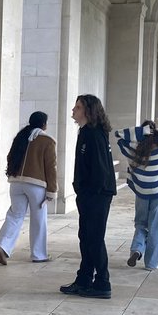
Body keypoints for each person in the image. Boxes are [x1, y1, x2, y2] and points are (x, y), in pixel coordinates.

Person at [60, 93, 117, 299]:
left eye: (77, 107)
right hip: (90, 194)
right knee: (86, 237)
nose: (73, 111)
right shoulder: (86, 132)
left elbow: (100, 170)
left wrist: (87, 192)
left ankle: (102, 282)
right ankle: (84, 279)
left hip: (97, 195)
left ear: (87, 111)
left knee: (93, 238)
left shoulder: (94, 134)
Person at [114, 117, 158, 271]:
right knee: (156, 226)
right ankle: (151, 263)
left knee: (140, 223)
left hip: (141, 192)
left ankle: (137, 249)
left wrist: (142, 132)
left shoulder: (133, 152)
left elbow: (119, 135)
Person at [0, 111, 57, 265]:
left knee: (14, 215)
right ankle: (38, 254)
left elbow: (10, 158)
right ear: (44, 124)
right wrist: (52, 190)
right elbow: (51, 167)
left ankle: (2, 246)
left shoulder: (20, 137)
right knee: (38, 219)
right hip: (36, 184)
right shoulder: (47, 141)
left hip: (16, 183)